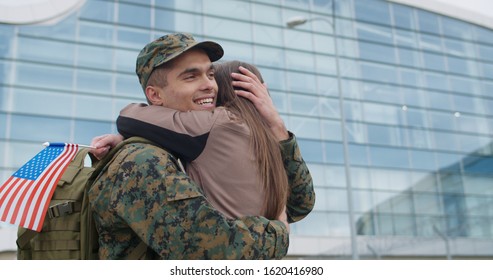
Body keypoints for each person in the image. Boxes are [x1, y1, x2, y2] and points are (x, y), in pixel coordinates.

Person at [89, 33, 314, 259]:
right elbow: (209, 250)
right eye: (191, 77)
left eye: (211, 74)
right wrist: (280, 232)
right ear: (154, 95)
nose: (209, 85)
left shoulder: (201, 137)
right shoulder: (143, 160)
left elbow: (299, 204)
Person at [115, 60, 306, 221]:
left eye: (212, 76)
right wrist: (279, 127)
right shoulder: (267, 138)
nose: (208, 86)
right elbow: (302, 204)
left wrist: (128, 138)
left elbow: (128, 117)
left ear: (222, 91)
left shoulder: (218, 122)